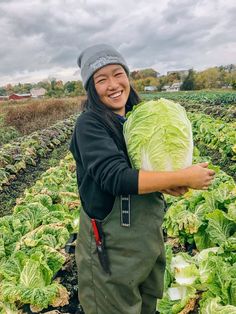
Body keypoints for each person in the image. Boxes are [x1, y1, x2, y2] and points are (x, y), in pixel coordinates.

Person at [69, 44, 215, 314]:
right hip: (110, 247)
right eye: (101, 79)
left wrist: (169, 183)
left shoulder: (136, 117)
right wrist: (182, 175)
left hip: (146, 240)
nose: (113, 84)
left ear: (127, 76)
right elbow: (115, 177)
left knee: (146, 306)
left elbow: (143, 173)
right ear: (91, 88)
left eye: (118, 74)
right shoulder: (89, 125)